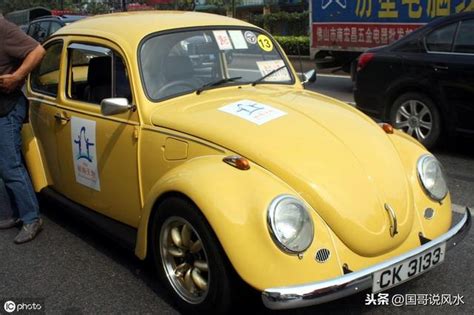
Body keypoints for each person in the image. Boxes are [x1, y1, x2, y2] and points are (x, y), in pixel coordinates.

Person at [0, 16, 46, 244]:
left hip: (8, 108)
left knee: (11, 166)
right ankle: (18, 214)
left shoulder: (3, 28)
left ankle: (31, 218)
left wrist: (17, 76)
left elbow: (38, 51)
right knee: (4, 166)